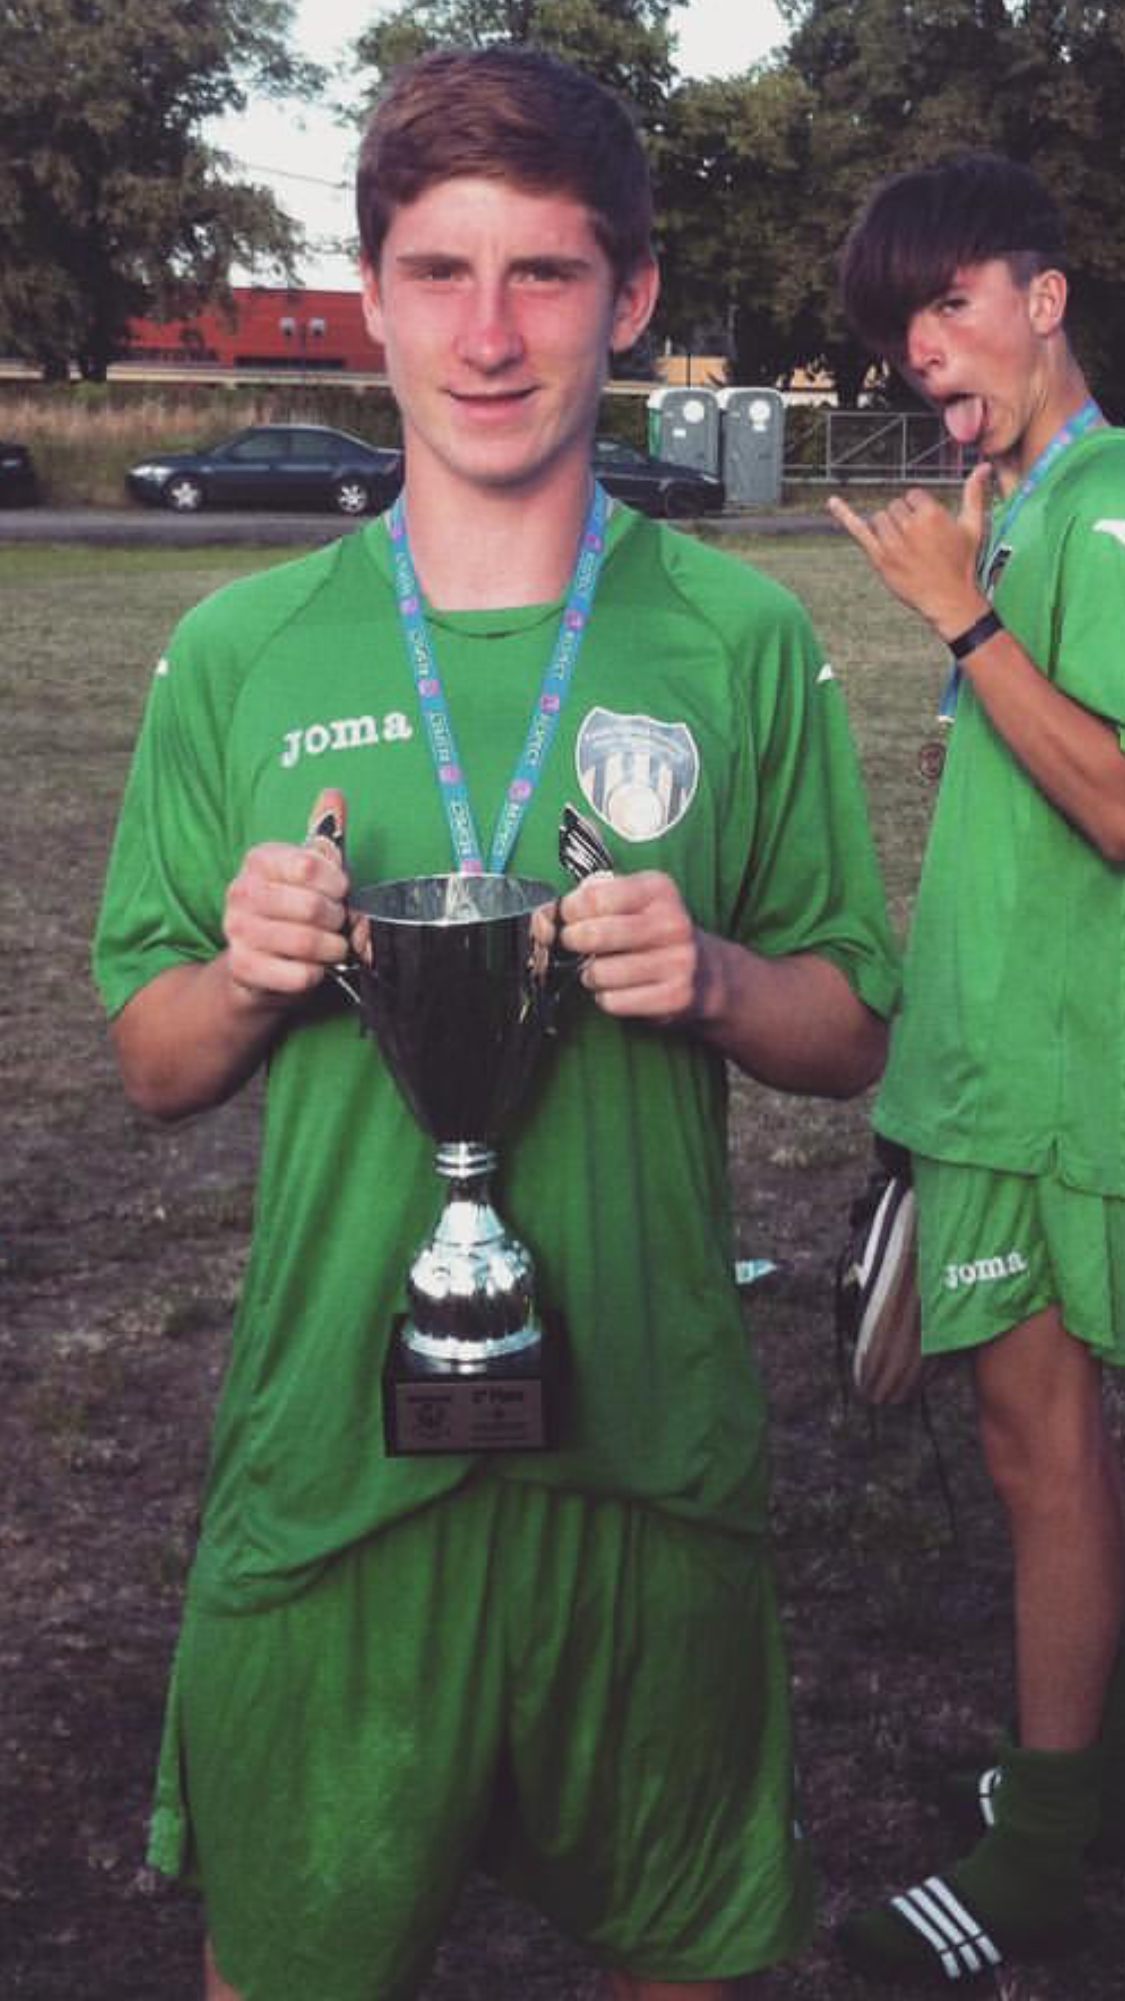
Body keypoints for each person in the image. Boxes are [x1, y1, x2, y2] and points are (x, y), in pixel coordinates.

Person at [94, 46, 898, 2001]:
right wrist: (248, 970)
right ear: (371, 296)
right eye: (438, 272)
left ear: (629, 297)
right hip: (333, 1472)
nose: (486, 333)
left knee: (684, 1957)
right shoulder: (239, 651)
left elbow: (851, 1024)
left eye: (543, 272)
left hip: (647, 1464)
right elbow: (151, 1060)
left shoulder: (740, 637)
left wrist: (715, 979)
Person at [828, 151, 1125, 1985]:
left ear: (1044, 297)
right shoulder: (1017, 506)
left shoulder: (1105, 506)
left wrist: (963, 620)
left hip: (1082, 1097)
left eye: (949, 303)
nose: (925, 350)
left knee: (1054, 1458)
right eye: (901, 328)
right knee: (1038, 1457)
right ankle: (1057, 1797)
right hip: (997, 1084)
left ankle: (1046, 1853)